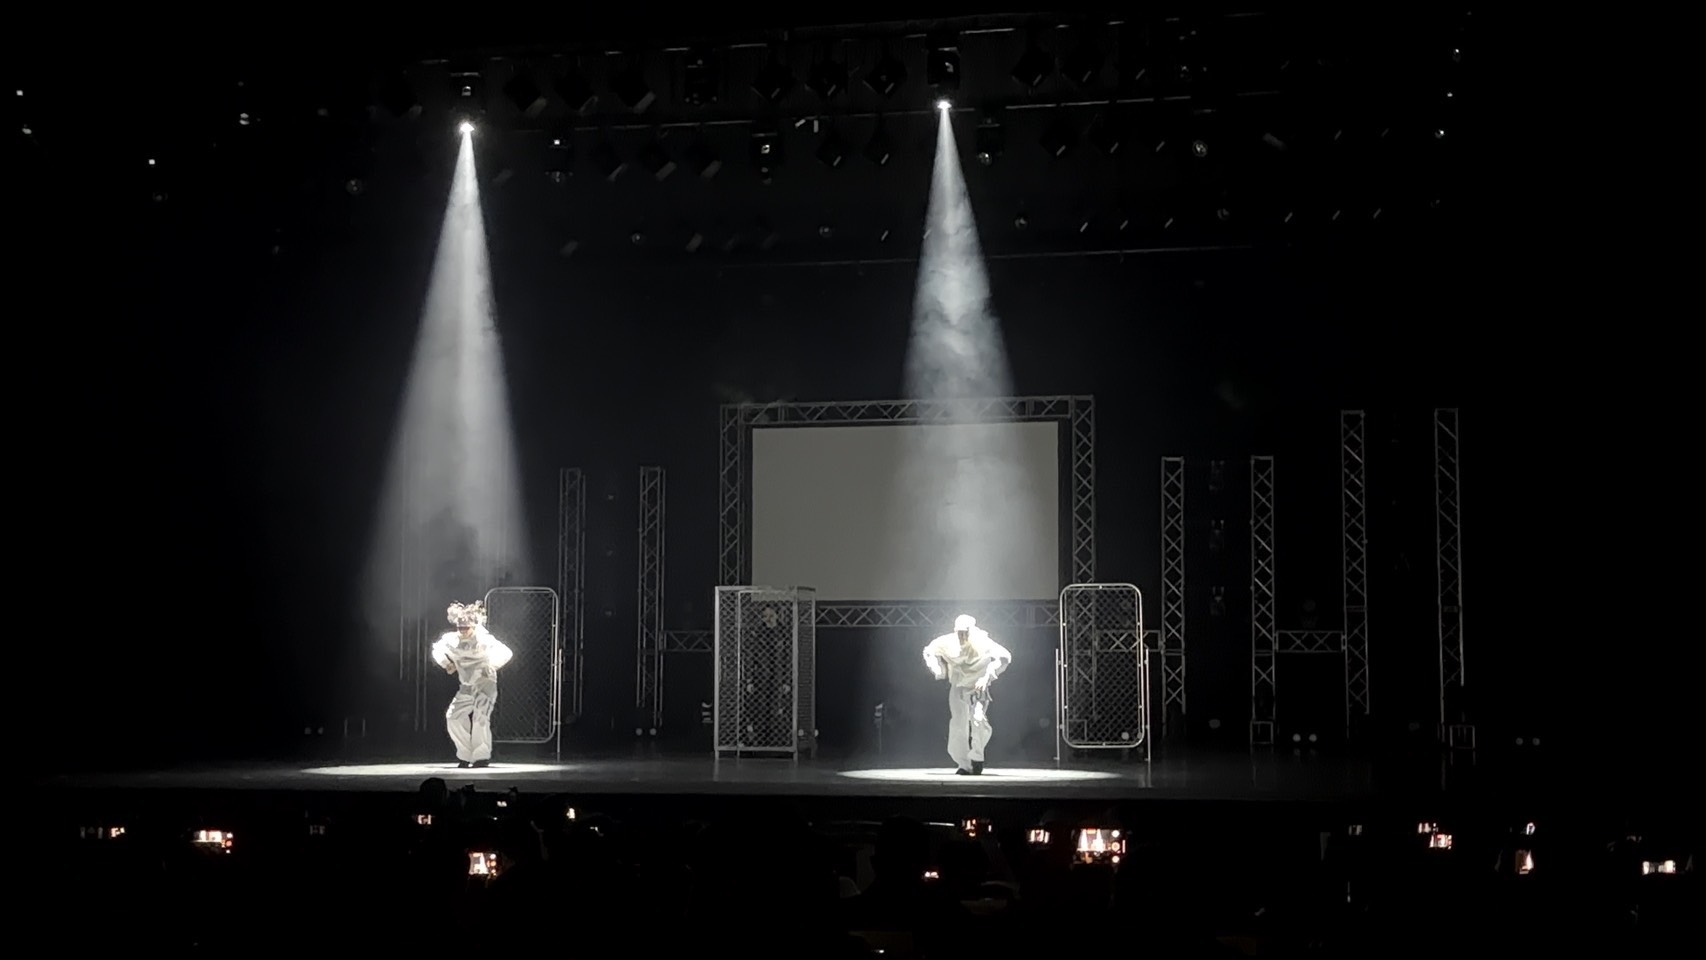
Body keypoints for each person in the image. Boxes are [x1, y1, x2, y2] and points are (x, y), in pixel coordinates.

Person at [922, 614, 1012, 775]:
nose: (962, 636)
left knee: (978, 719)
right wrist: (937, 668)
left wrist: (987, 677)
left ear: (972, 631)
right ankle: (964, 764)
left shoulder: (983, 642)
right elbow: (929, 651)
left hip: (977, 687)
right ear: (955, 631)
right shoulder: (947, 642)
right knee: (958, 723)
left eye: (966, 633)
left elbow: (1005, 657)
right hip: (958, 686)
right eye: (960, 632)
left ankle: (977, 757)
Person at [430, 601, 514, 768]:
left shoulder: (484, 640)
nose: (463, 630)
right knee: (453, 717)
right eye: (460, 627)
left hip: (485, 684)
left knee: (480, 718)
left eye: (466, 627)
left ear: (474, 625)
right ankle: (465, 755)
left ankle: (481, 757)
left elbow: (506, 652)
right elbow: (436, 650)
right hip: (466, 686)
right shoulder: (451, 640)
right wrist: (447, 664)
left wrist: (491, 665)